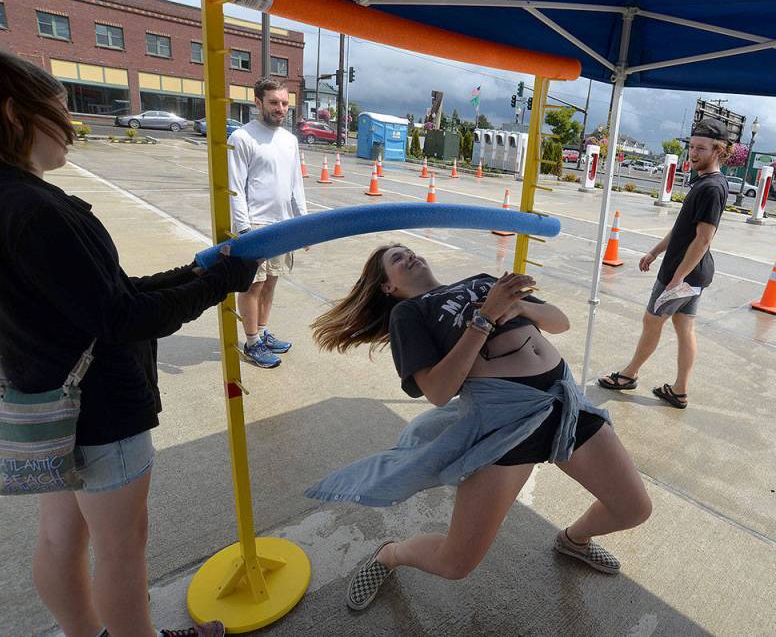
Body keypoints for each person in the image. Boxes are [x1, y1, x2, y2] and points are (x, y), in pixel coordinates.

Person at [0, 51, 258, 637]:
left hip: (46, 399)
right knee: (121, 550)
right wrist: (220, 280)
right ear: (15, 113)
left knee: (59, 536)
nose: (72, 127)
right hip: (99, 411)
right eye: (59, 113)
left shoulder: (10, 200)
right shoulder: (35, 209)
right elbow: (120, 315)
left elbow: (98, 296)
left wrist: (195, 273)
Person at [307, 246, 652, 611]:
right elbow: (439, 391)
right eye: (397, 259)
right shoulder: (410, 313)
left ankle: (574, 540)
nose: (409, 255)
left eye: (409, 251)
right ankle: (391, 554)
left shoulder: (484, 282)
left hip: (564, 405)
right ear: (388, 287)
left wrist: (519, 306)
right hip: (501, 428)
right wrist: (483, 319)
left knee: (633, 509)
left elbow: (559, 322)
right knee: (455, 563)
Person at [598, 119, 731, 409]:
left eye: (701, 148)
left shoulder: (711, 188)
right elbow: (683, 229)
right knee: (684, 328)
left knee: (652, 321)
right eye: (692, 147)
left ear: (718, 150)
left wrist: (677, 277)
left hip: (684, 274)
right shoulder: (706, 183)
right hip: (692, 274)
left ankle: (628, 375)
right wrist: (655, 252)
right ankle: (679, 390)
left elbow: (703, 239)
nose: (693, 153)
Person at [228, 78, 308, 369]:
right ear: (258, 103)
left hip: (283, 226)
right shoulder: (242, 138)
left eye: (285, 103)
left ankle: (262, 332)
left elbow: (295, 185)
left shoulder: (290, 140)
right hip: (256, 226)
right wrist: (245, 231)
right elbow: (234, 187)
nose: (281, 109)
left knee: (271, 282)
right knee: (252, 287)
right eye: (274, 102)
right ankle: (251, 343)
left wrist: (304, 225)